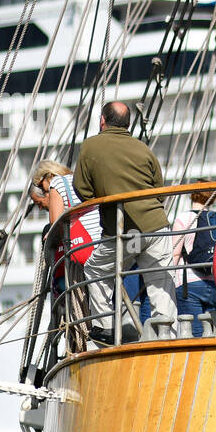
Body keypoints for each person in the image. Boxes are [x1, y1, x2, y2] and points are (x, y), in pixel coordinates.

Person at [74, 100, 177, 344]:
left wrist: (104, 197)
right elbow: (159, 190)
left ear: (102, 121)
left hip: (125, 232)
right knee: (160, 283)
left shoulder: (91, 146)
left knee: (97, 270)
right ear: (128, 124)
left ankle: (105, 328)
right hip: (156, 226)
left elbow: (82, 189)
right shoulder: (143, 148)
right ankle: (167, 336)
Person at [30, 159, 100, 351]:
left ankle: (88, 339)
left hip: (82, 247)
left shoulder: (57, 184)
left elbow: (56, 222)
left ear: (46, 177)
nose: (44, 190)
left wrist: (51, 233)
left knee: (79, 297)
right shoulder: (78, 178)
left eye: (40, 185)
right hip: (100, 239)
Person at [170, 183, 216, 337]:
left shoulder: (184, 218)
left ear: (192, 194)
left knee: (194, 334)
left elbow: (175, 254)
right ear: (212, 198)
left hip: (188, 285)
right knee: (215, 332)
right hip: (215, 283)